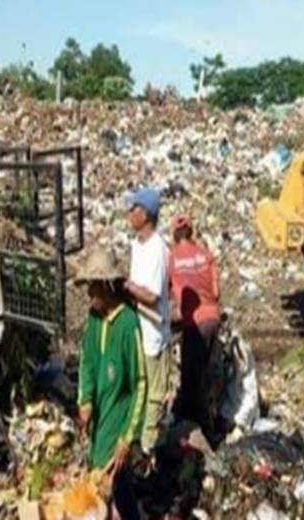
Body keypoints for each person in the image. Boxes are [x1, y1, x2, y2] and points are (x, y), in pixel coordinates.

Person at [76, 247, 146, 520]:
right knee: (101, 482)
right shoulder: (94, 320)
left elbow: (140, 383)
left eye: (93, 287)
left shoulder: (128, 324)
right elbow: (88, 362)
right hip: (100, 417)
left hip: (119, 420)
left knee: (117, 482)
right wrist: (86, 400)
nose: (89, 293)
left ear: (107, 287)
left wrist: (128, 438)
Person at [123, 187, 171, 456]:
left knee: (155, 393)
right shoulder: (137, 246)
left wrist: (128, 287)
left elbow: (152, 295)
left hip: (154, 332)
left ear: (147, 214)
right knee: (138, 385)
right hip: (138, 328)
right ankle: (136, 436)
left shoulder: (157, 249)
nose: (130, 213)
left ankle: (148, 447)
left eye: (135, 209)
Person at [168, 213, 221, 433]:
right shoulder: (206, 254)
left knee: (191, 378)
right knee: (208, 374)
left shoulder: (172, 259)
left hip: (194, 323)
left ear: (174, 235)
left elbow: (167, 294)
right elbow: (217, 293)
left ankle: (192, 429)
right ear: (192, 232)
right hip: (213, 318)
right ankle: (211, 422)